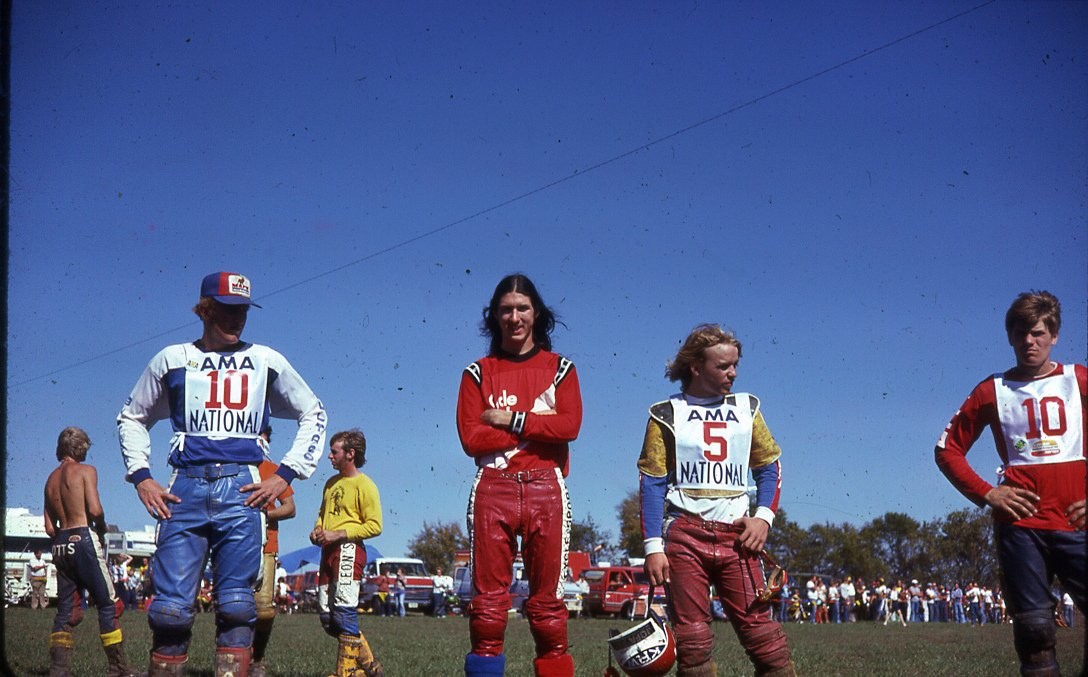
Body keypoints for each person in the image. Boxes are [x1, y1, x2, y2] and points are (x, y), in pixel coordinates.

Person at [118, 271, 327, 676]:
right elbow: (132, 415)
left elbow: (313, 411)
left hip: (242, 488)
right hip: (186, 486)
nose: (236, 320)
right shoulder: (172, 358)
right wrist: (141, 475)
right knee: (170, 612)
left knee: (237, 607)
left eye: (242, 311)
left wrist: (286, 473)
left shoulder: (266, 360)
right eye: (227, 311)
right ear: (205, 309)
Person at [935, 290, 1086, 676]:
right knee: (1034, 632)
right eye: (1020, 333)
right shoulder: (993, 389)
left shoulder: (1079, 380)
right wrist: (987, 492)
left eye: (1037, 333)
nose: (1028, 341)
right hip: (1022, 528)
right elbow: (947, 449)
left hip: (1077, 524)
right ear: (1010, 337)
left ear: (1054, 335)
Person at [639, 324, 795, 676]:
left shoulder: (747, 408)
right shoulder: (666, 413)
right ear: (696, 367)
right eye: (723, 366)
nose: (733, 373)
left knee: (767, 641)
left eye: (735, 364)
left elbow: (770, 468)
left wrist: (764, 518)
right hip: (684, 536)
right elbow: (652, 483)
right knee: (692, 647)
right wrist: (652, 547)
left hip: (737, 537)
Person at [456, 273, 583, 677]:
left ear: (537, 313)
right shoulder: (477, 372)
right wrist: (538, 422)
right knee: (489, 609)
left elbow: (569, 426)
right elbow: (472, 437)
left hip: (547, 487)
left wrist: (510, 418)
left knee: (547, 607)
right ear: (493, 316)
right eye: (506, 309)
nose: (514, 317)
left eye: (522, 308)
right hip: (493, 488)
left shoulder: (560, 368)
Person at [44, 426, 140, 676]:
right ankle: (118, 668)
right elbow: (95, 510)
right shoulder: (86, 471)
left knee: (65, 611)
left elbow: (48, 528)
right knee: (109, 605)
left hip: (60, 543)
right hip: (83, 537)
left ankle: (58, 669)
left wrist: (65, 537)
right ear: (80, 448)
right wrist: (100, 529)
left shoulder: (50, 480)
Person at [310, 428, 384, 677]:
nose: (329, 456)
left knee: (344, 612)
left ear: (350, 454)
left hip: (349, 550)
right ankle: (368, 668)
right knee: (328, 618)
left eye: (334, 452)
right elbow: (323, 514)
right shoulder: (331, 483)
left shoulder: (366, 485)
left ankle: (345, 672)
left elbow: (375, 525)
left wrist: (339, 533)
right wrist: (318, 529)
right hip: (327, 551)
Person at [251, 428, 297, 677]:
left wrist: (263, 515)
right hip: (234, 545)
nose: (261, 439)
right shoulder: (231, 464)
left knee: (263, 608)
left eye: (265, 435)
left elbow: (290, 508)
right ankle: (231, 656)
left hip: (267, 545)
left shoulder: (272, 470)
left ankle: (257, 658)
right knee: (233, 604)